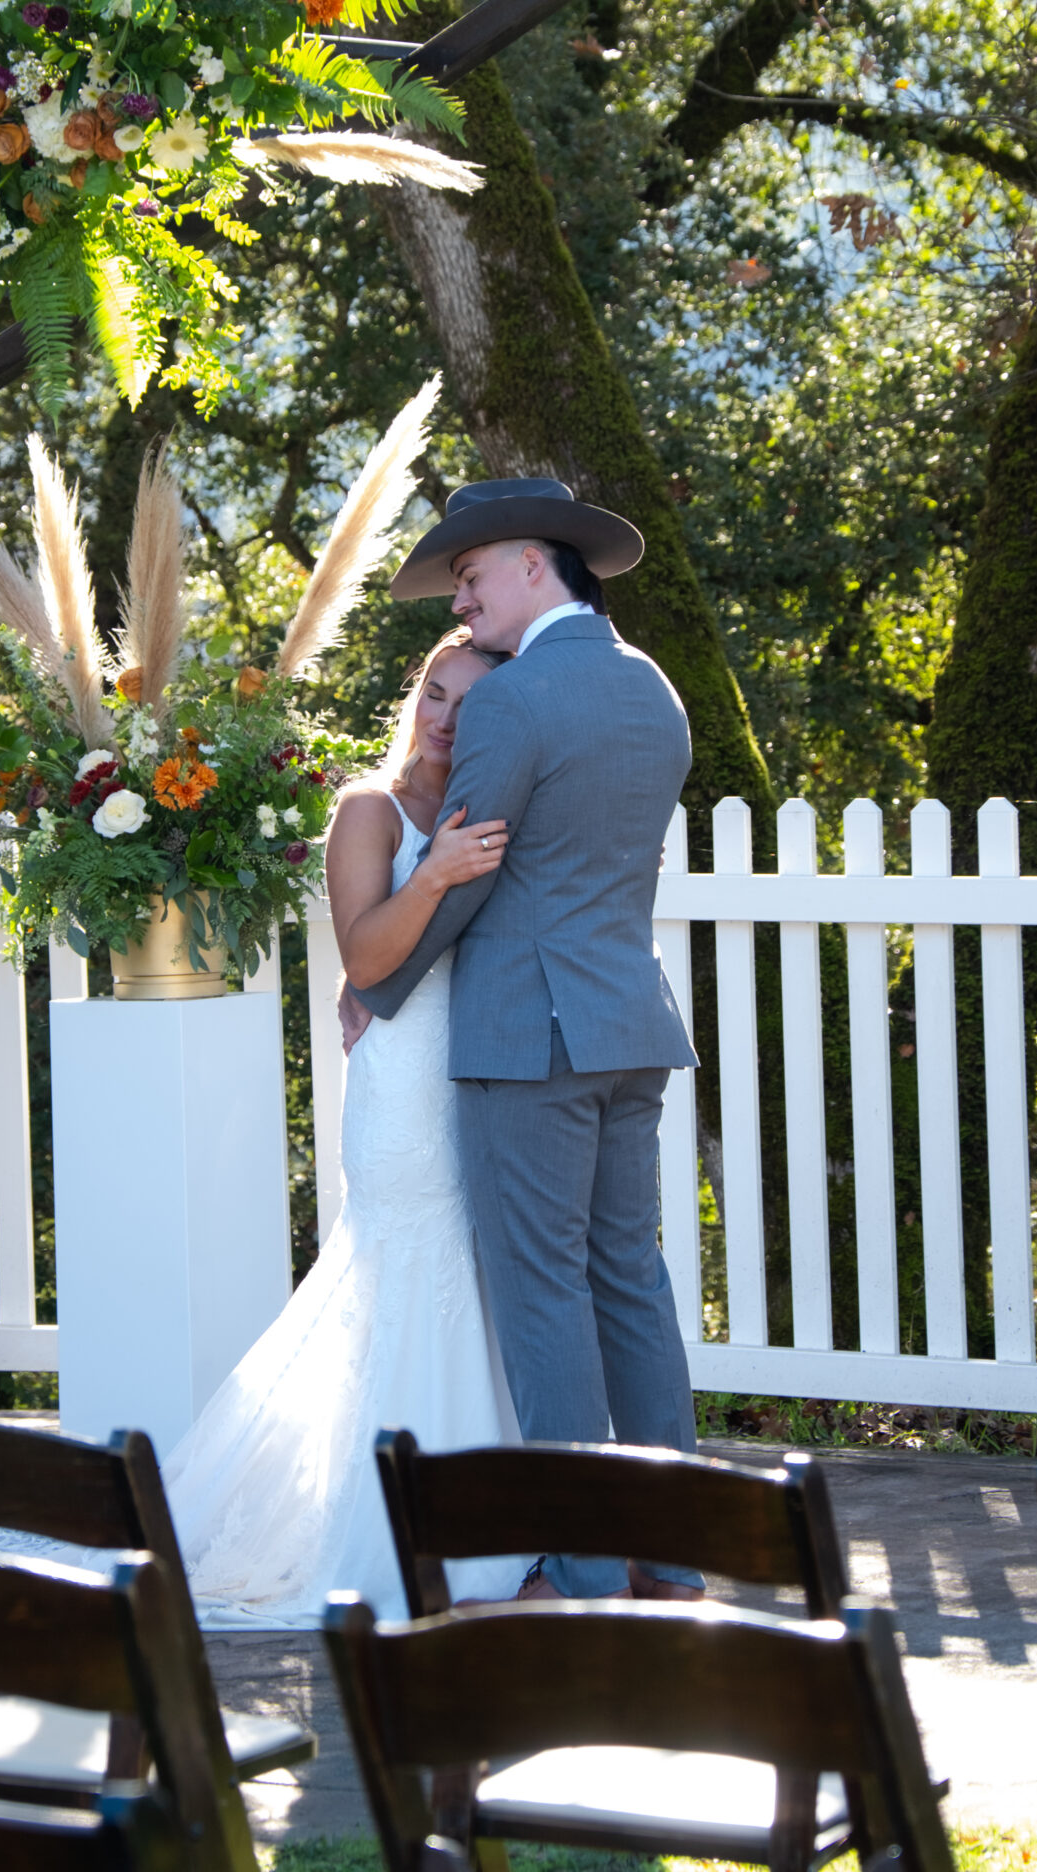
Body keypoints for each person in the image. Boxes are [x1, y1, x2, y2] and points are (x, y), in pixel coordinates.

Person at [351, 475, 704, 1601]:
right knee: (630, 1282)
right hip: (628, 1022)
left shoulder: (513, 701)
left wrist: (381, 980)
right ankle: (676, 1550)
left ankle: (584, 1563)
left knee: (545, 1292)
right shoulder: (655, 689)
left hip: (525, 1040)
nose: (460, 604)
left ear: (532, 564)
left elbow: (469, 868)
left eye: (467, 577)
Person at [157, 626, 530, 1622]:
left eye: (472, 704)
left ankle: (495, 1516)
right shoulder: (372, 811)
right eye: (436, 693)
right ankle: (390, 1528)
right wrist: (437, 872)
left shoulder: (490, 806)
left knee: (481, 1287)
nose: (447, 719)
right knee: (410, 1281)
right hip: (406, 1092)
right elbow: (367, 961)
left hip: (484, 1075)